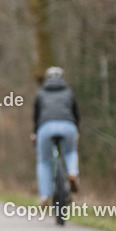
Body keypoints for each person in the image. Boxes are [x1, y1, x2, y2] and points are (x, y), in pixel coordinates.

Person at [33, 66, 80, 207]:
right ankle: (72, 173)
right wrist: (76, 128)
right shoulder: (69, 92)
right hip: (68, 126)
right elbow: (76, 114)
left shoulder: (40, 93)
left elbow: (36, 117)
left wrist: (35, 132)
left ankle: (44, 195)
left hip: (45, 127)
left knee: (44, 161)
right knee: (70, 151)